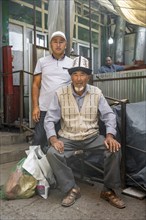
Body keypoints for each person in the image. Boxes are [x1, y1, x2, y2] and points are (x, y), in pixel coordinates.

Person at [44, 56, 126, 209]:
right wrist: (54, 139)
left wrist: (109, 136)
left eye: (83, 74)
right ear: (71, 76)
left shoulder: (96, 93)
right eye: (75, 74)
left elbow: (109, 115)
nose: (79, 79)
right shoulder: (60, 93)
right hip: (68, 137)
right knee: (52, 153)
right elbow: (49, 119)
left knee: (114, 149)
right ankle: (71, 188)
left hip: (91, 137)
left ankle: (108, 190)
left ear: (88, 76)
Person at [32, 31, 73, 153]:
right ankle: (32, 169)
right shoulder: (42, 61)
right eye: (55, 42)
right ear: (50, 44)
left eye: (61, 42)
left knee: (59, 141)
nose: (58, 45)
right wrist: (35, 106)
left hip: (63, 110)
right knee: (39, 139)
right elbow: (35, 84)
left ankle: (53, 169)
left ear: (65, 45)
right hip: (44, 108)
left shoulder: (71, 63)